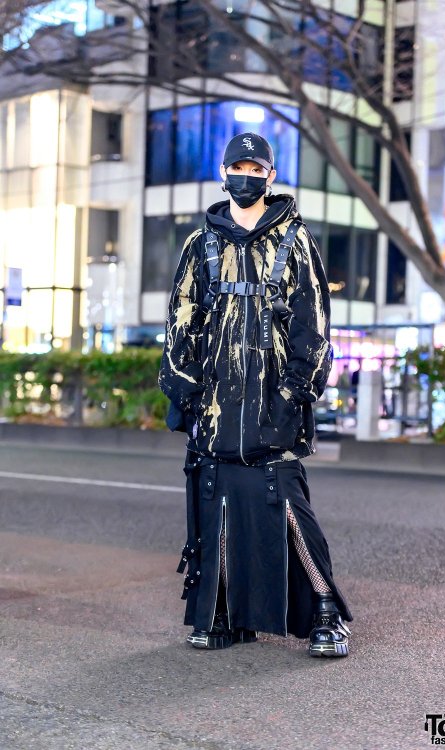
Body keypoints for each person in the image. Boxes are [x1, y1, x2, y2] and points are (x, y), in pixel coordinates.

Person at [159, 132, 353, 658]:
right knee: (217, 501)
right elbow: (181, 321)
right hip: (217, 402)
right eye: (236, 166)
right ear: (223, 173)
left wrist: (294, 392)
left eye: (255, 167)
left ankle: (326, 614)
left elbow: (315, 326)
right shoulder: (200, 243)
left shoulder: (295, 239)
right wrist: (186, 391)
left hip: (275, 400)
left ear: (269, 175)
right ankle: (221, 616)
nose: (245, 175)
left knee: (287, 501)